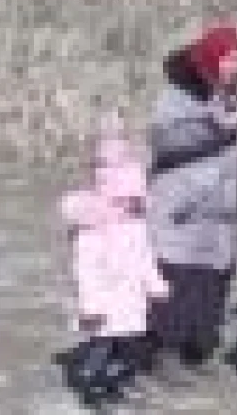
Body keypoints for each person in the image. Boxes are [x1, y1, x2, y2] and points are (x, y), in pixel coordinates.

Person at [144, 22, 237, 384]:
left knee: (212, 283)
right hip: (182, 206)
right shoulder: (179, 93)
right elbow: (165, 139)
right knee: (177, 282)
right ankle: (164, 355)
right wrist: (216, 129)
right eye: (231, 58)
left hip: (223, 209)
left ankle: (197, 351)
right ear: (213, 57)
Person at [58, 126, 170, 407]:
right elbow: (85, 270)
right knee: (101, 347)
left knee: (127, 347)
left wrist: (154, 284)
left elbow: (145, 258)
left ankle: (116, 383)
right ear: (114, 195)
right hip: (103, 303)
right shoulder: (93, 228)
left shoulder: (136, 227)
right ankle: (91, 387)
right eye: (128, 199)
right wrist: (91, 304)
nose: (133, 205)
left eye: (137, 199)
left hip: (130, 300)